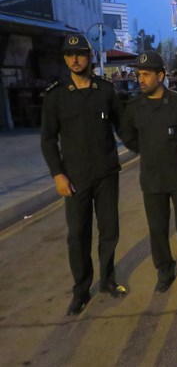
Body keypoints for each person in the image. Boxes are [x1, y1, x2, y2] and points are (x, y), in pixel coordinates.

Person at [40, 33, 126, 316]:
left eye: (79, 54)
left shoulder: (105, 90)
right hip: (75, 178)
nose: (74, 59)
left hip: (106, 174)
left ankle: (108, 280)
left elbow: (122, 126)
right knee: (77, 235)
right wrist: (58, 174)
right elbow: (48, 139)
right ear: (65, 59)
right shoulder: (56, 96)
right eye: (69, 55)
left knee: (109, 231)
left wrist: (148, 145)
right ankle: (81, 290)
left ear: (89, 57)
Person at [120, 51, 177, 292]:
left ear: (160, 76)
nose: (141, 79)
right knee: (157, 227)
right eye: (139, 74)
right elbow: (128, 136)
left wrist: (175, 149)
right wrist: (149, 150)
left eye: (146, 74)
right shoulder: (134, 108)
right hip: (151, 177)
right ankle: (165, 271)